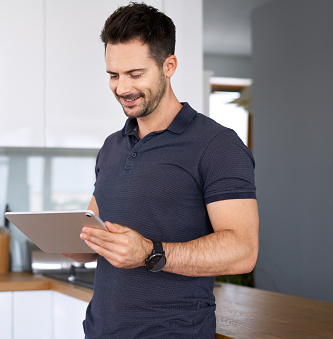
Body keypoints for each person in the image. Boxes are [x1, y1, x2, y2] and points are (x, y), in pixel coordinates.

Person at [62, 3, 259, 338]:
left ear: (169, 66)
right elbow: (97, 230)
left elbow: (243, 251)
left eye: (136, 74)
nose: (122, 88)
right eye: (113, 75)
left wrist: (151, 253)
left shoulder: (217, 145)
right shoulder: (112, 145)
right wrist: (72, 240)